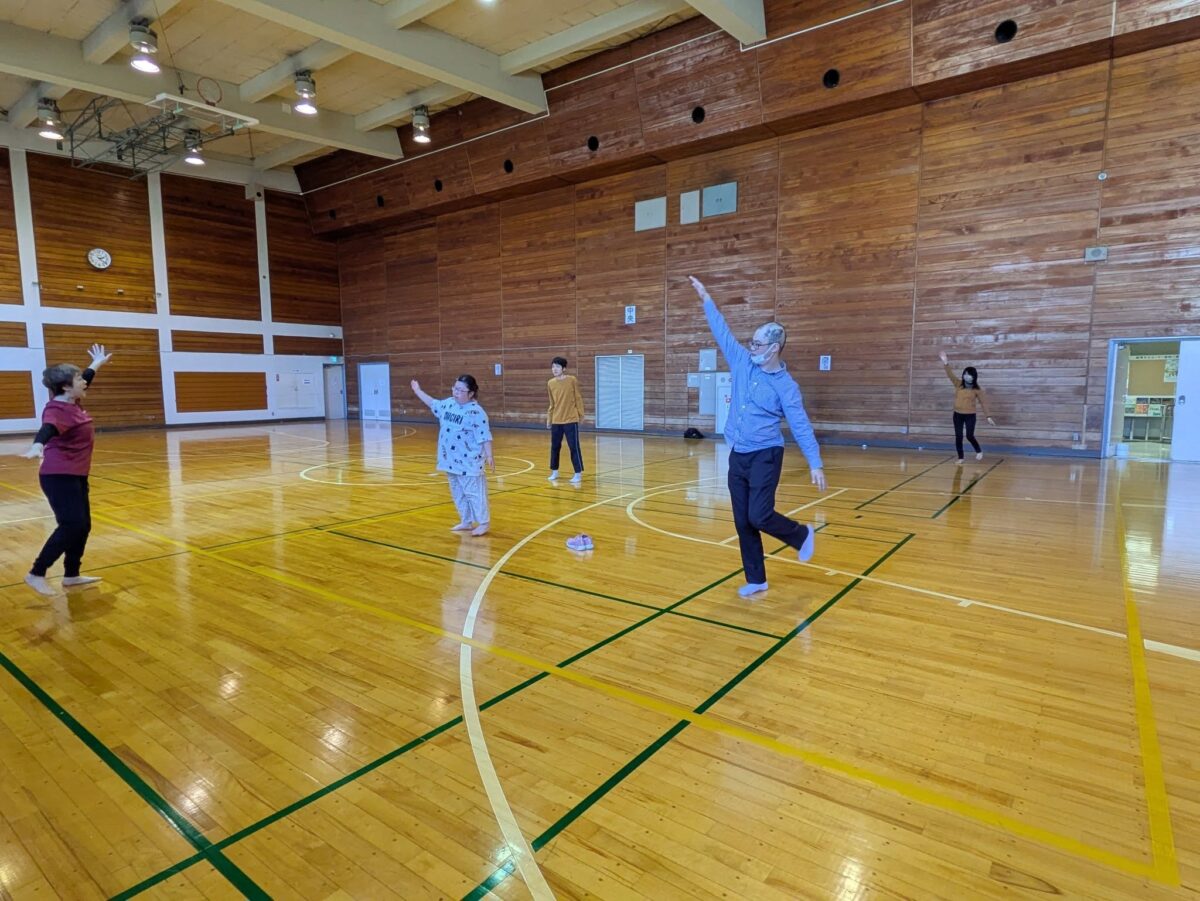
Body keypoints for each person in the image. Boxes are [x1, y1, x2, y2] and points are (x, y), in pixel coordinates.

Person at [689, 276, 827, 598]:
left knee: (759, 514)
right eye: (751, 343)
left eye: (758, 344)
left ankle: (801, 535)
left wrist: (815, 462)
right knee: (743, 522)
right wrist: (707, 298)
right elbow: (721, 331)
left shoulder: (786, 386)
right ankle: (757, 579)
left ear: (774, 348)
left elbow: (800, 424)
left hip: (766, 454)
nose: (751, 348)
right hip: (738, 453)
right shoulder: (742, 363)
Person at [19, 344, 113, 596]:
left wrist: (96, 364)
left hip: (76, 475)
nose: (84, 382)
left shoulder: (72, 400)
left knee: (83, 526)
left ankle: (71, 575)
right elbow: (48, 428)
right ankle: (36, 573)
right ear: (65, 387)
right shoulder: (56, 409)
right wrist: (37, 445)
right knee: (71, 525)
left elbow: (87, 379)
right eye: (79, 379)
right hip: (59, 476)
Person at [411, 375, 495, 536]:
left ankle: (483, 523)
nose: (456, 392)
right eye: (455, 388)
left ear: (471, 393)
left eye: (460, 390)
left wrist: (490, 456)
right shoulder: (449, 404)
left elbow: (484, 436)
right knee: (458, 492)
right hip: (450, 461)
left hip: (469, 462)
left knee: (474, 493)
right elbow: (433, 403)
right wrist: (418, 391)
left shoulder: (476, 412)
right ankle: (466, 521)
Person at [938, 350, 995, 464]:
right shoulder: (959, 384)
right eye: (965, 374)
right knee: (958, 436)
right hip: (957, 415)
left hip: (970, 416)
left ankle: (978, 451)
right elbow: (950, 375)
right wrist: (945, 362)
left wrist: (988, 416)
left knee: (969, 435)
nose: (966, 376)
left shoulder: (977, 390)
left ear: (973, 377)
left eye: (968, 374)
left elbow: (983, 403)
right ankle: (961, 457)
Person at [546, 356, 585, 484]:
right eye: (553, 367)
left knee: (574, 447)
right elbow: (552, 403)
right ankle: (554, 471)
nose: (554, 369)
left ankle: (578, 473)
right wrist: (549, 419)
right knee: (555, 447)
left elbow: (578, 398)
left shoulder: (572, 380)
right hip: (556, 420)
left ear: (564, 368)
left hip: (570, 419)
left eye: (557, 367)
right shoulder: (550, 383)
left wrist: (581, 415)